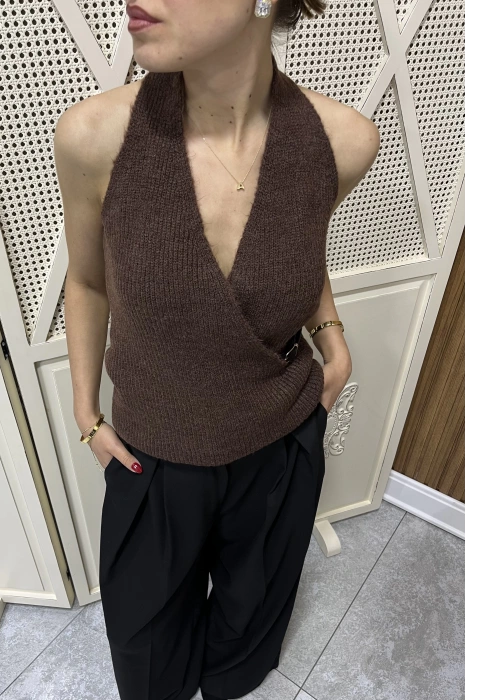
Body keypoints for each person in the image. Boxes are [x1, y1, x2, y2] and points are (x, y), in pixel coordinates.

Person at [54, 0, 379, 697]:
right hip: (152, 453)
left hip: (279, 443)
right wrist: (85, 412)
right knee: (147, 656)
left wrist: (334, 342)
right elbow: (86, 279)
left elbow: (296, 249)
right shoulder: (96, 136)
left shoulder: (344, 142)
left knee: (248, 628)